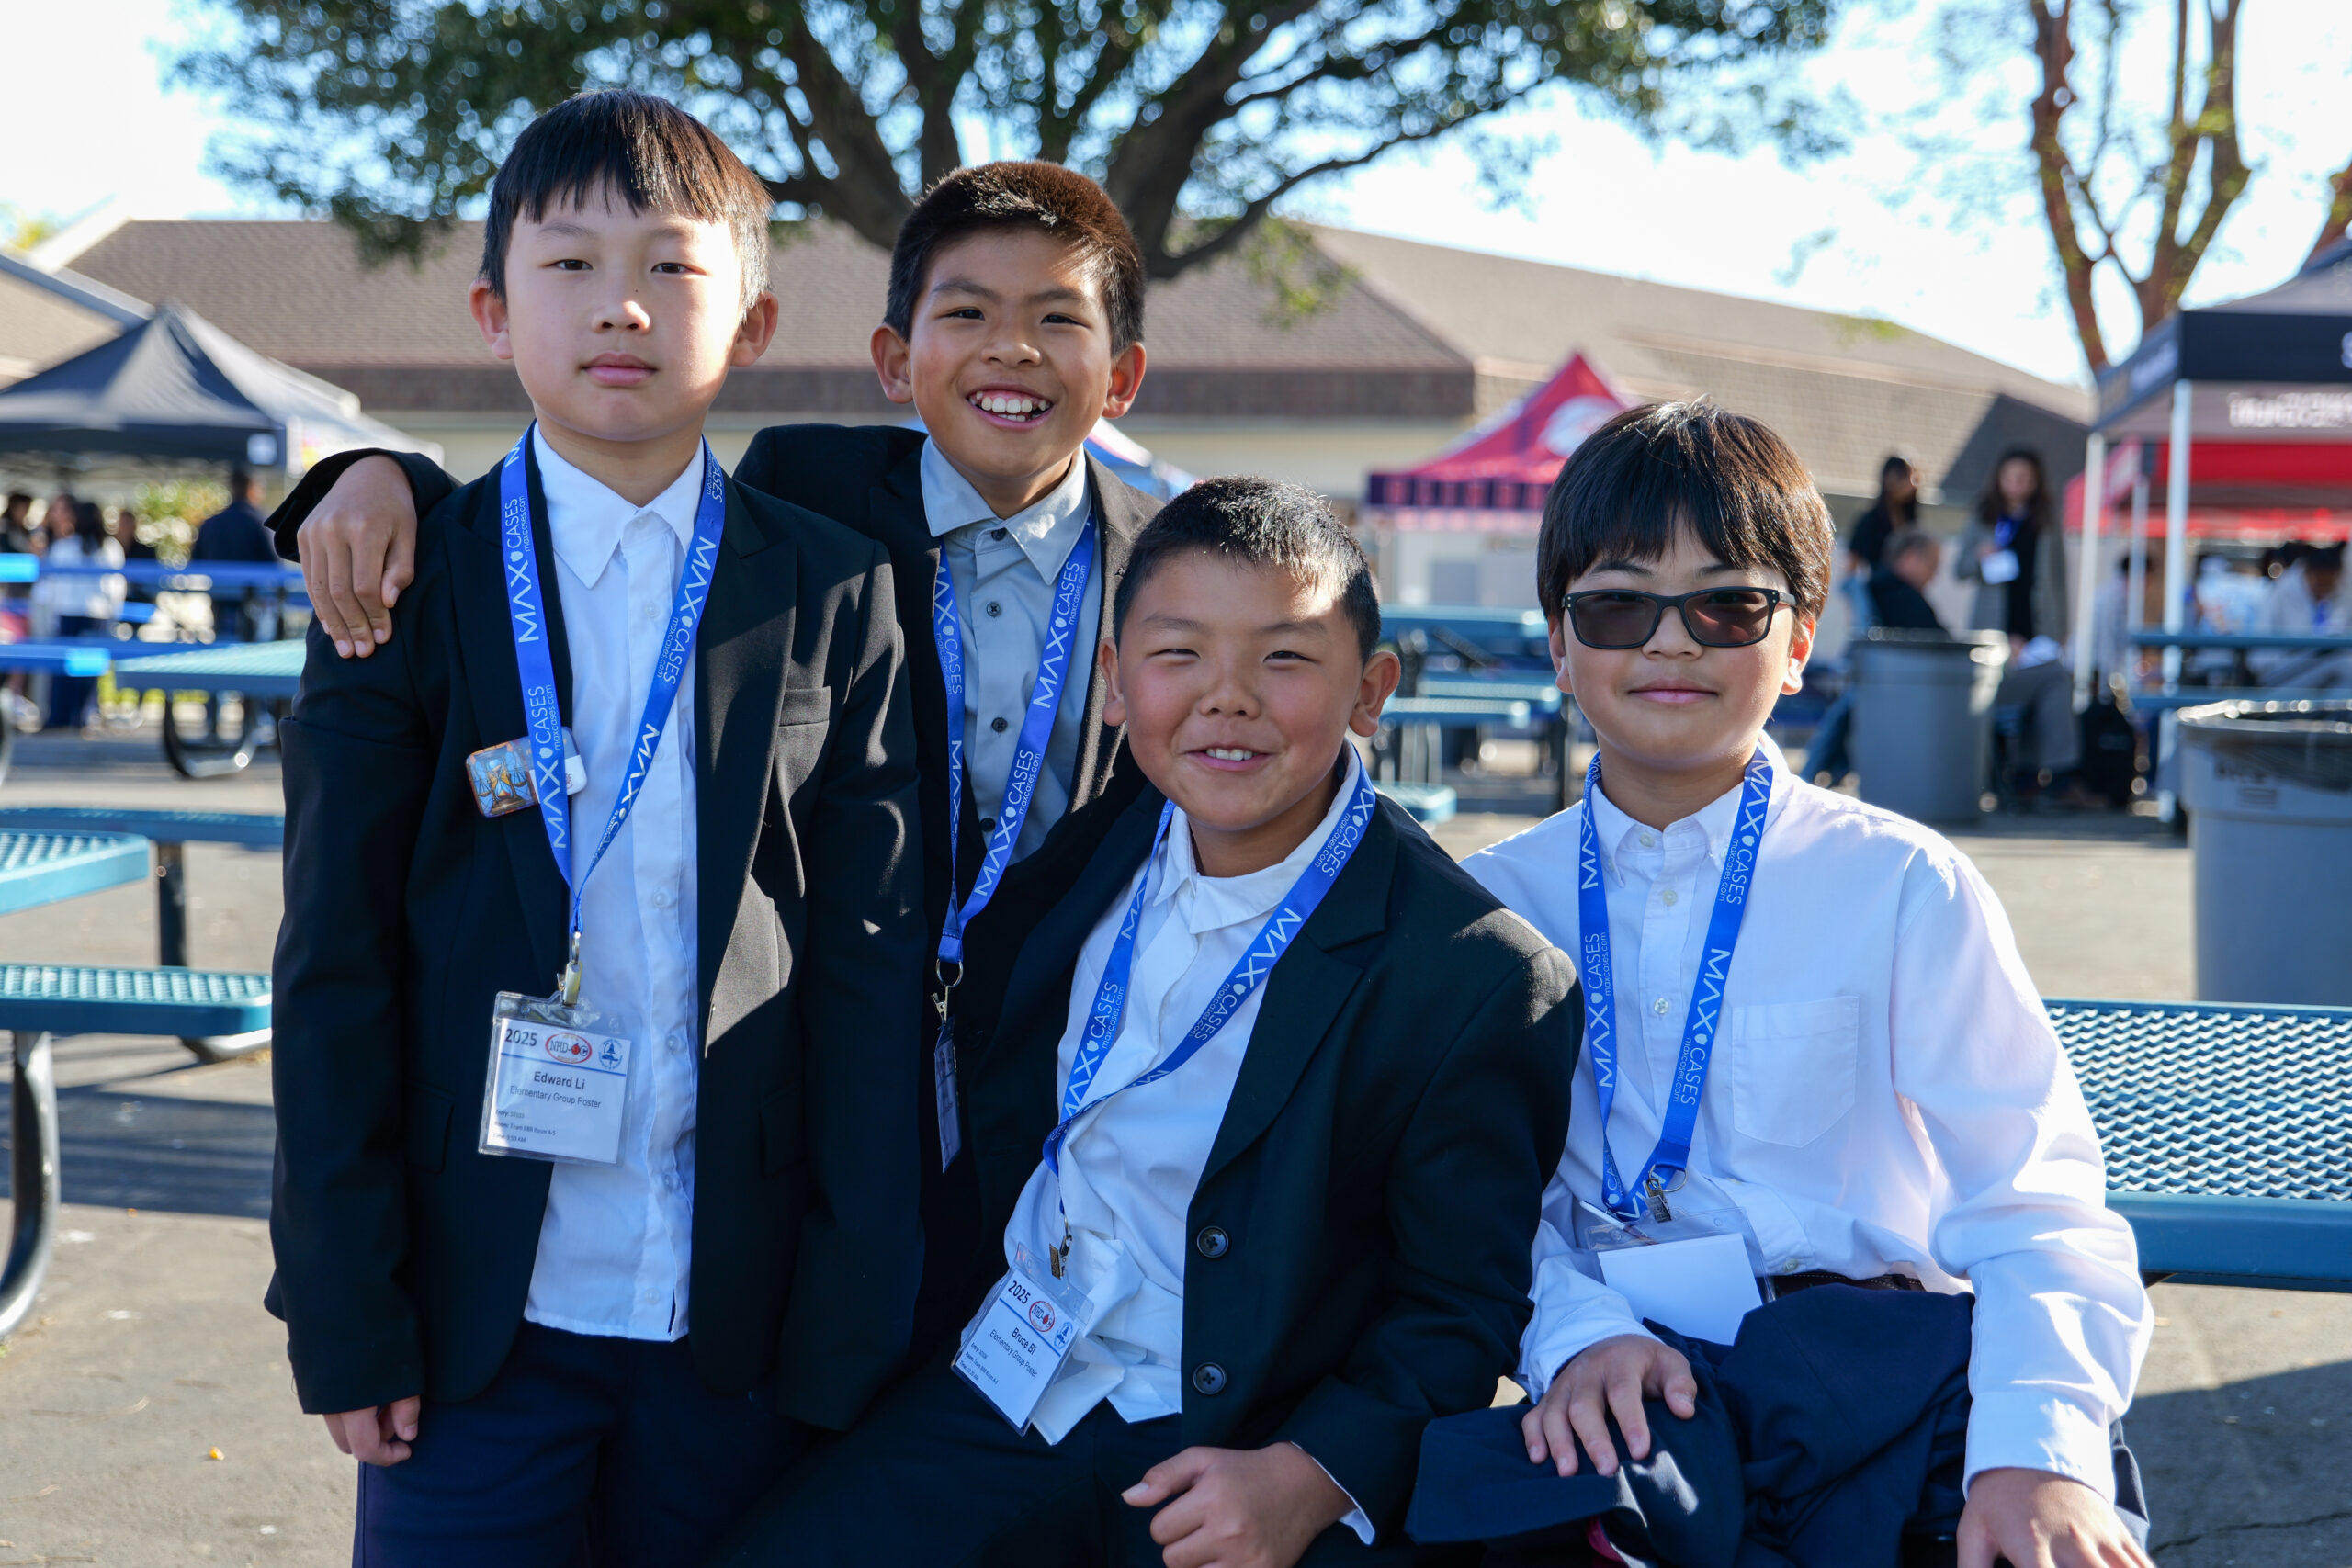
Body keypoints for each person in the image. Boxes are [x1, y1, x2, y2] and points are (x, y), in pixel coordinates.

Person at [265, 159, 1168, 1347]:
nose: (1014, 350)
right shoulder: (811, 486)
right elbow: (612, 484)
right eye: (968, 314)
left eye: (1059, 319)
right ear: (894, 360)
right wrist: (377, 476)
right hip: (824, 1099)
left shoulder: (1177, 567)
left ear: (1124, 376)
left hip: (1061, 1094)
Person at [267, 90, 928, 1565]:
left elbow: (870, 982)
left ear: (750, 323)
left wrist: (849, 1322)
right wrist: (346, 1306)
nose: (620, 306)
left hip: (737, 1323)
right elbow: (332, 965)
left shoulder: (832, 585)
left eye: (674, 268)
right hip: (468, 1319)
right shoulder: (405, 576)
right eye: (568, 266)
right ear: (495, 311)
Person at [707, 479, 1576, 1568]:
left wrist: (1311, 1473)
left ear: (1373, 689)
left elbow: (1460, 1301)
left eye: (1286, 657)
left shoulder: (1473, 973)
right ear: (1114, 685)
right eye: (1178, 655)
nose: (1228, 698)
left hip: (1231, 1438)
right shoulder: (1084, 851)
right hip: (1006, 1376)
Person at [1425, 402, 2152, 1568]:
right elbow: (1469, 1210)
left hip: (1888, 1385)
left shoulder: (1900, 884)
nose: (1671, 643)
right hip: (1635, 1393)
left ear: (1801, 637)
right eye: (1616, 605)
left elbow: (2035, 1202)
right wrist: (1575, 1333)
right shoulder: (1479, 906)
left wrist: (2035, 1450)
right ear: (1558, 642)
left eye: (1727, 604)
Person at [1955, 447, 2068, 662]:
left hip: (2037, 625)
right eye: (2010, 477)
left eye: (2024, 478)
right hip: (1994, 624)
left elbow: (2059, 578)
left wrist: (2062, 630)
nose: (2017, 484)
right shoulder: (1983, 516)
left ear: (2036, 480)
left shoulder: (2047, 520)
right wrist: (1980, 555)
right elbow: (1960, 569)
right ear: (1998, 478)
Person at [34, 500, 127, 733]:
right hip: (97, 614)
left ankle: (59, 717)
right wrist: (113, 613)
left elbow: (52, 585)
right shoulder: (109, 548)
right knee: (88, 670)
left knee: (63, 668)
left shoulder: (65, 546)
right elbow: (116, 585)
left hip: (68, 612)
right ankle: (83, 716)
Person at [2252, 541, 2350, 685]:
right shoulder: (2282, 590)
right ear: (2307, 573)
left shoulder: (2338, 593)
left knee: (2342, 667)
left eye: (2329, 585)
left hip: (2314, 668)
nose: (2324, 591)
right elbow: (2260, 655)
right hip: (2278, 672)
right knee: (2341, 665)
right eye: (2320, 584)